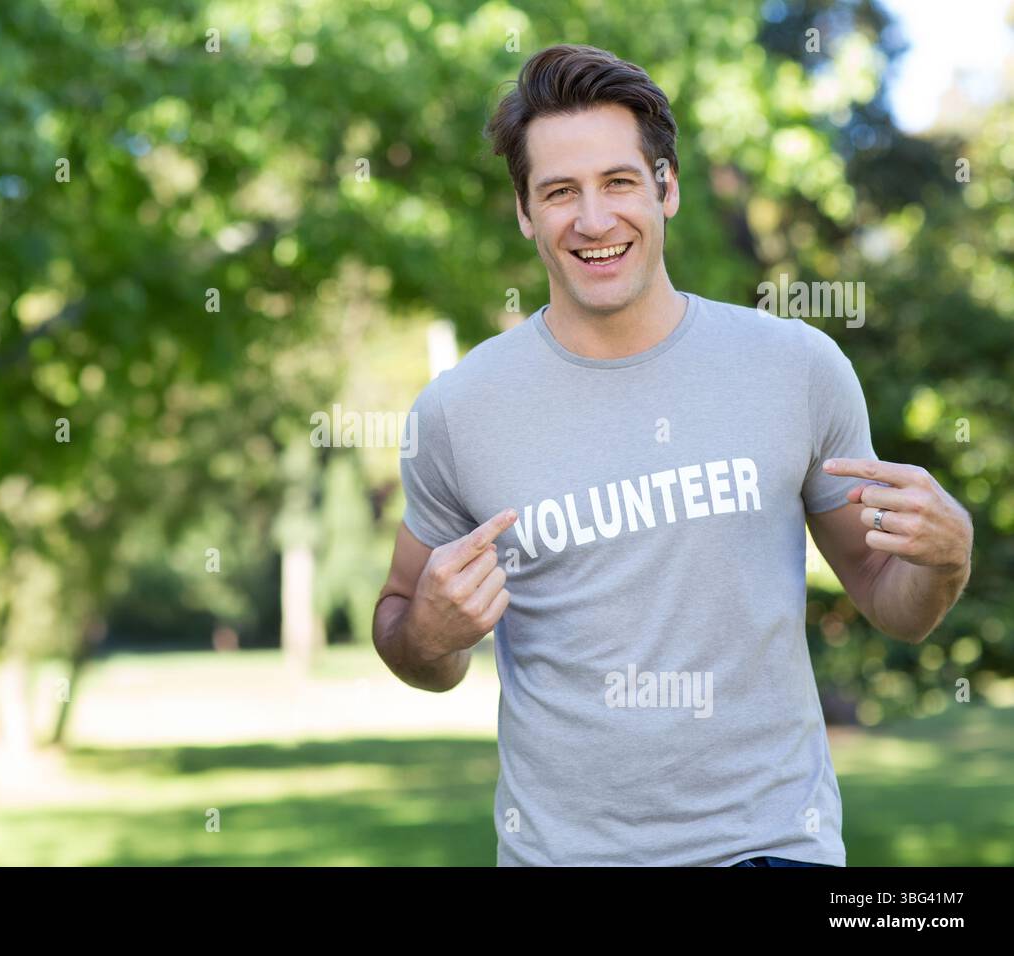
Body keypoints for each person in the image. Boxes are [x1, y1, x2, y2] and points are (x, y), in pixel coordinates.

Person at [371, 43, 973, 867]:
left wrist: (944, 562)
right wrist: (433, 638)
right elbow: (403, 627)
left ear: (667, 188)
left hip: (771, 847)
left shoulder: (794, 368)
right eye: (558, 192)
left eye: (619, 182)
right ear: (523, 212)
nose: (592, 219)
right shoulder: (457, 411)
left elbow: (889, 599)